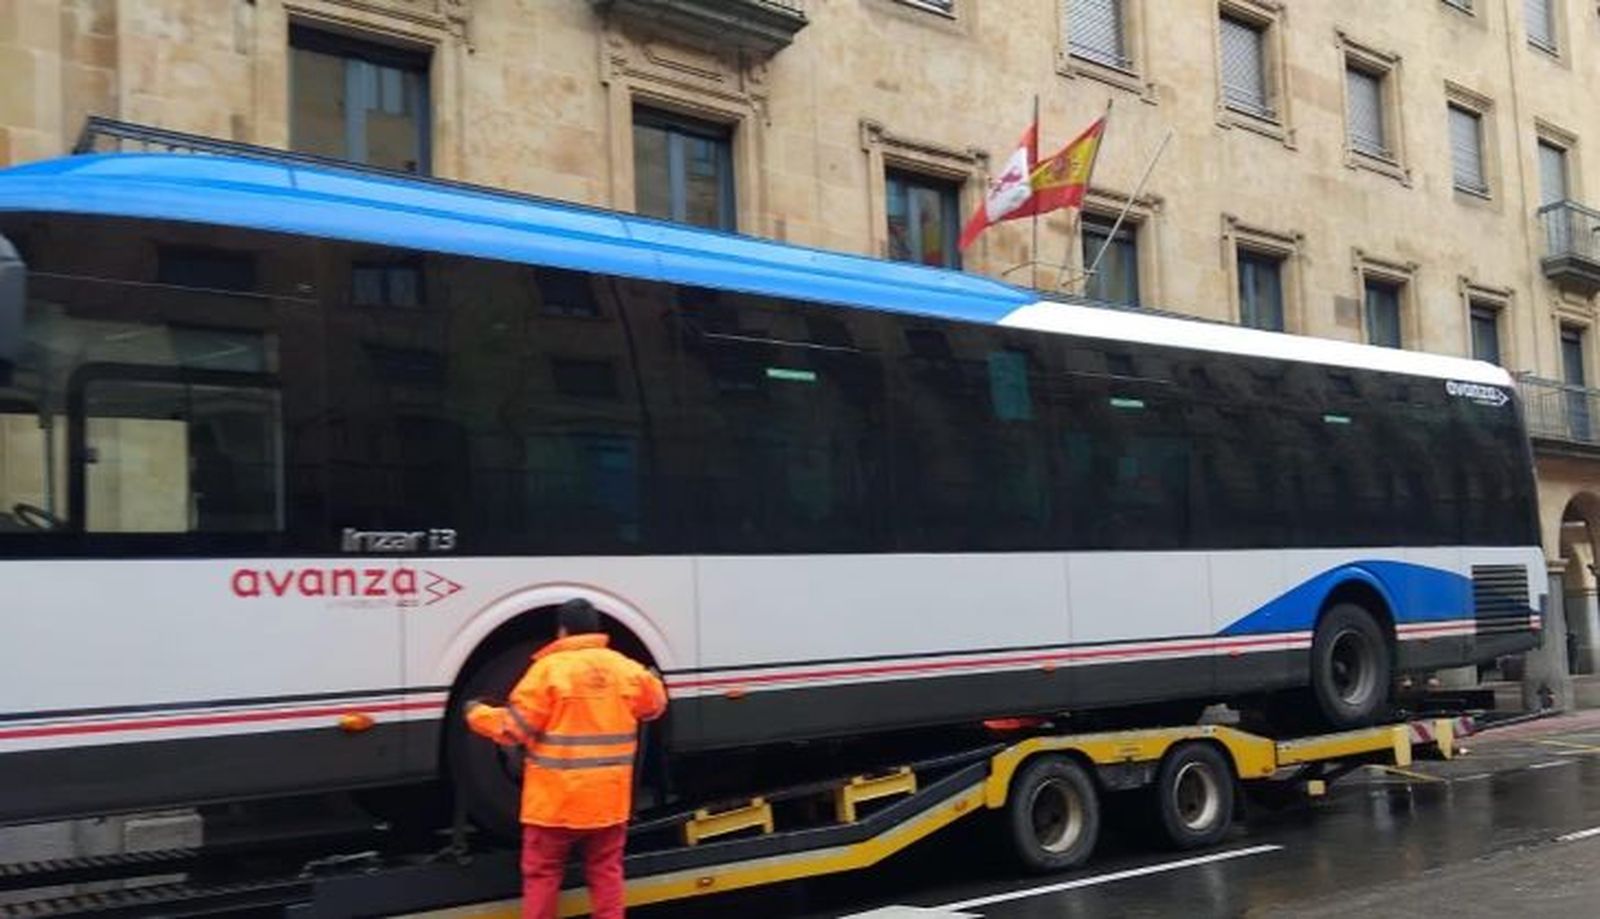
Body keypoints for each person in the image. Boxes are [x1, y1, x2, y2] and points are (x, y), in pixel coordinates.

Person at [466, 598, 667, 919]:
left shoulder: (547, 671)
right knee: (606, 874)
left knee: (543, 875)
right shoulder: (624, 668)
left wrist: (476, 713)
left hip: (553, 808)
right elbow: (655, 705)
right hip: (607, 805)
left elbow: (513, 729)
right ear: (597, 631)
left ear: (562, 631)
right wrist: (651, 678)